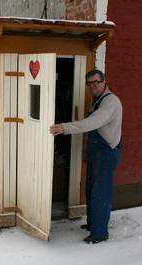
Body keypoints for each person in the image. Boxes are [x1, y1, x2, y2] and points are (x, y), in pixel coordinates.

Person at [49, 69, 122, 244]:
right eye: (90, 84)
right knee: (90, 188)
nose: (93, 86)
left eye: (96, 82)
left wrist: (65, 127)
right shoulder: (98, 100)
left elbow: (93, 123)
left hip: (106, 152)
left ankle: (99, 234)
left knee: (100, 193)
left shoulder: (110, 102)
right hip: (96, 152)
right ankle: (92, 224)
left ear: (104, 82)